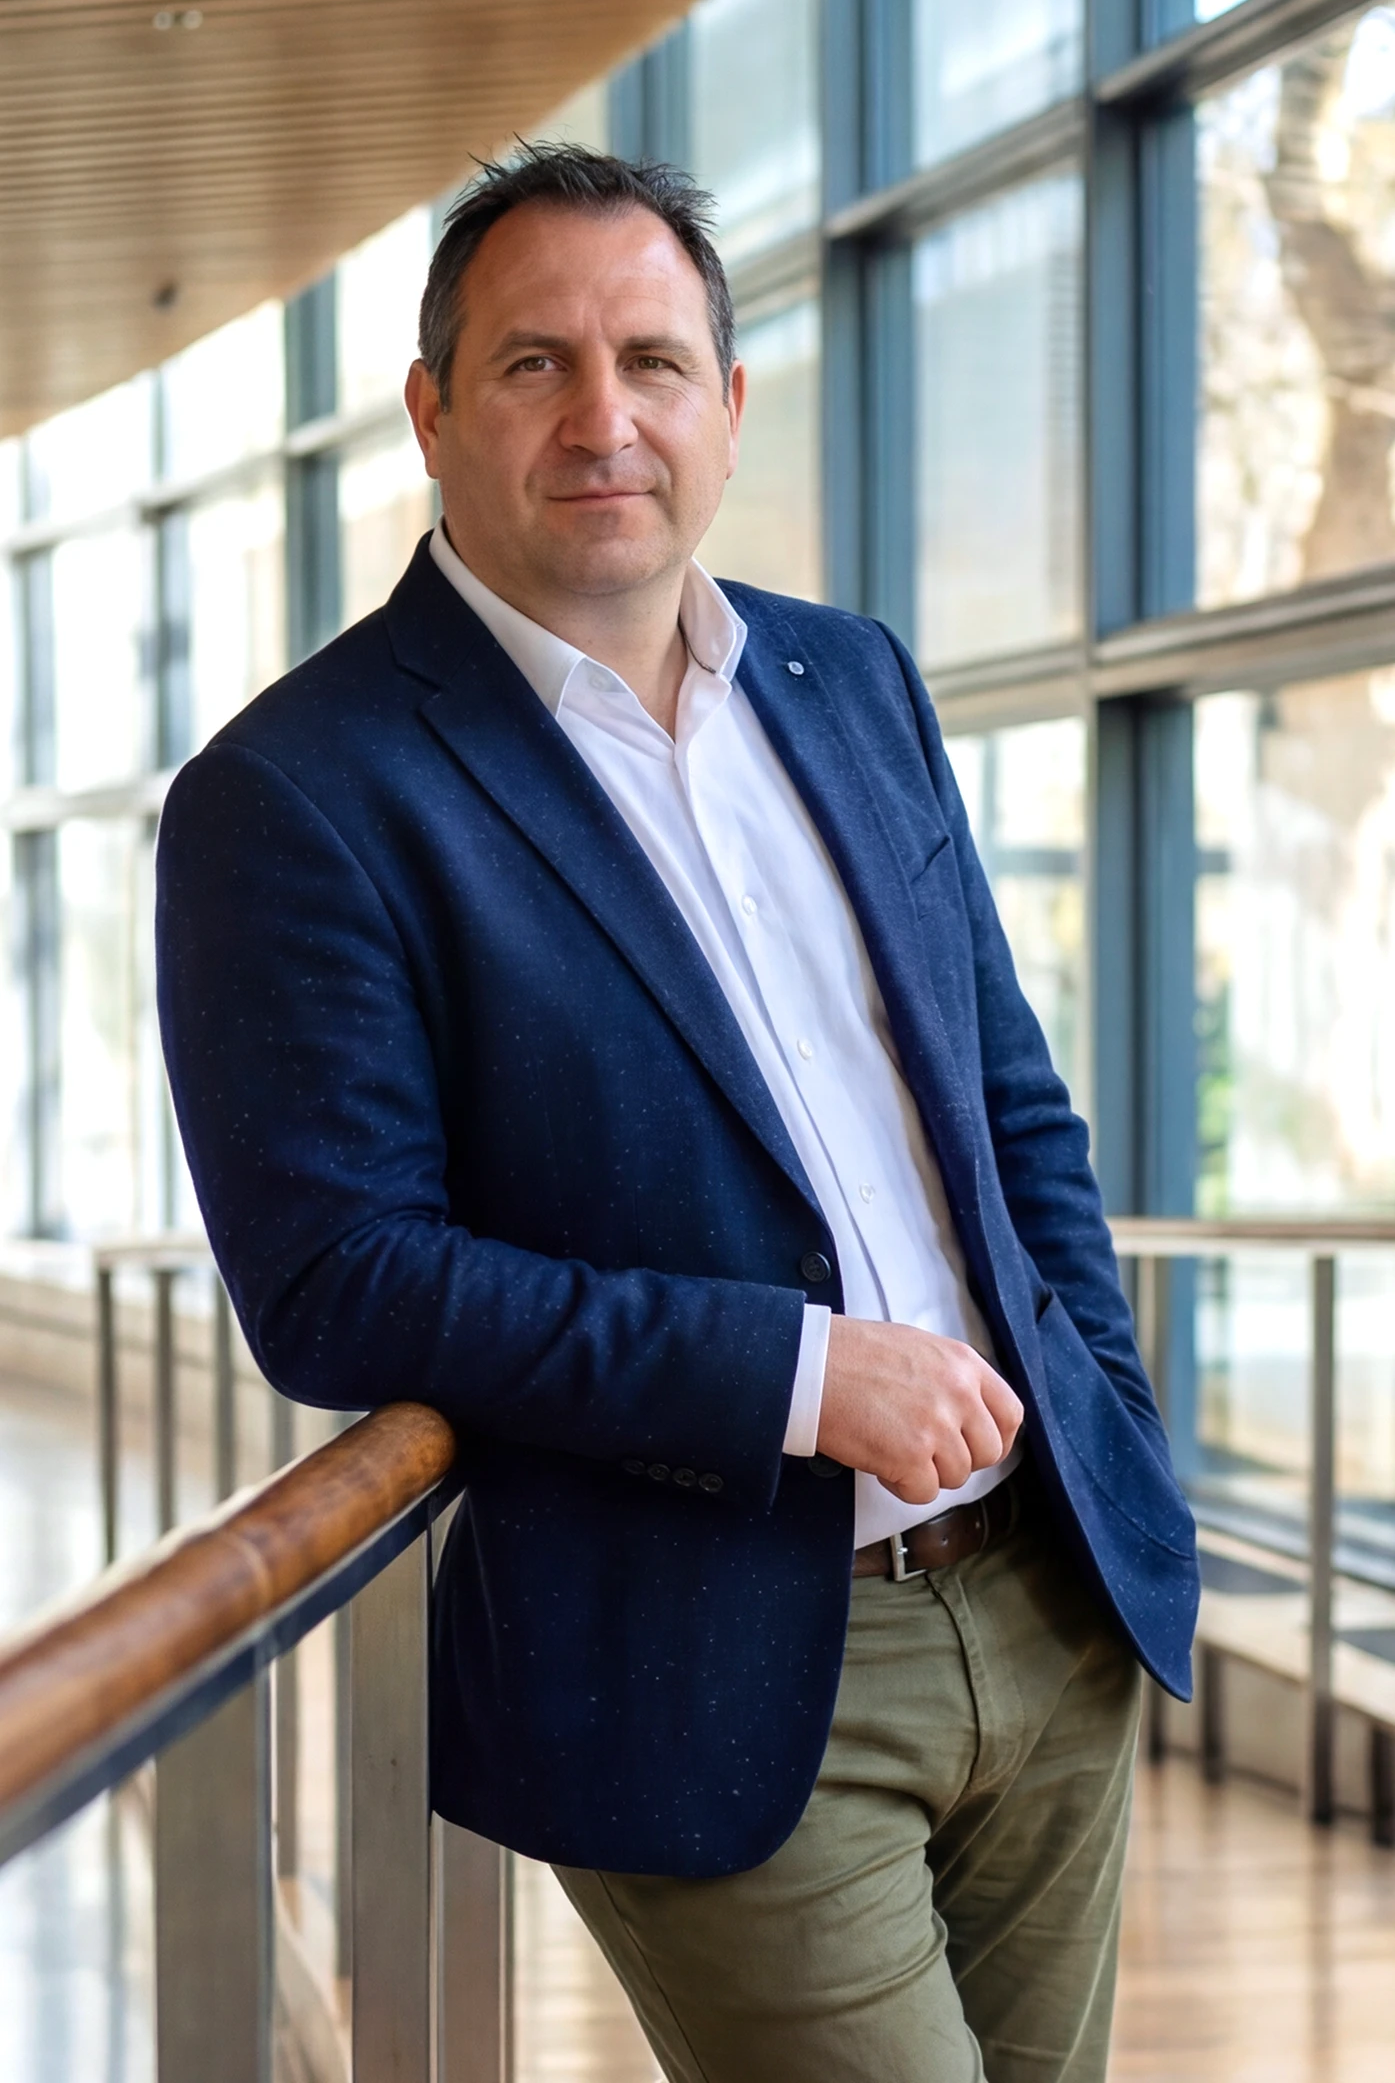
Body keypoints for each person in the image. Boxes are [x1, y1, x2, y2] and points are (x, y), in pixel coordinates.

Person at [156, 145, 1198, 2083]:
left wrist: (1103, 1425)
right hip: (708, 1654)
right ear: (433, 413)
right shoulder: (299, 792)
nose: (601, 415)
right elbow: (336, 1277)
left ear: (727, 406)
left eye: (651, 358)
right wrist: (800, 1373)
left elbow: (1009, 1110)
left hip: (1049, 1597)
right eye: (534, 363)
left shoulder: (847, 677)